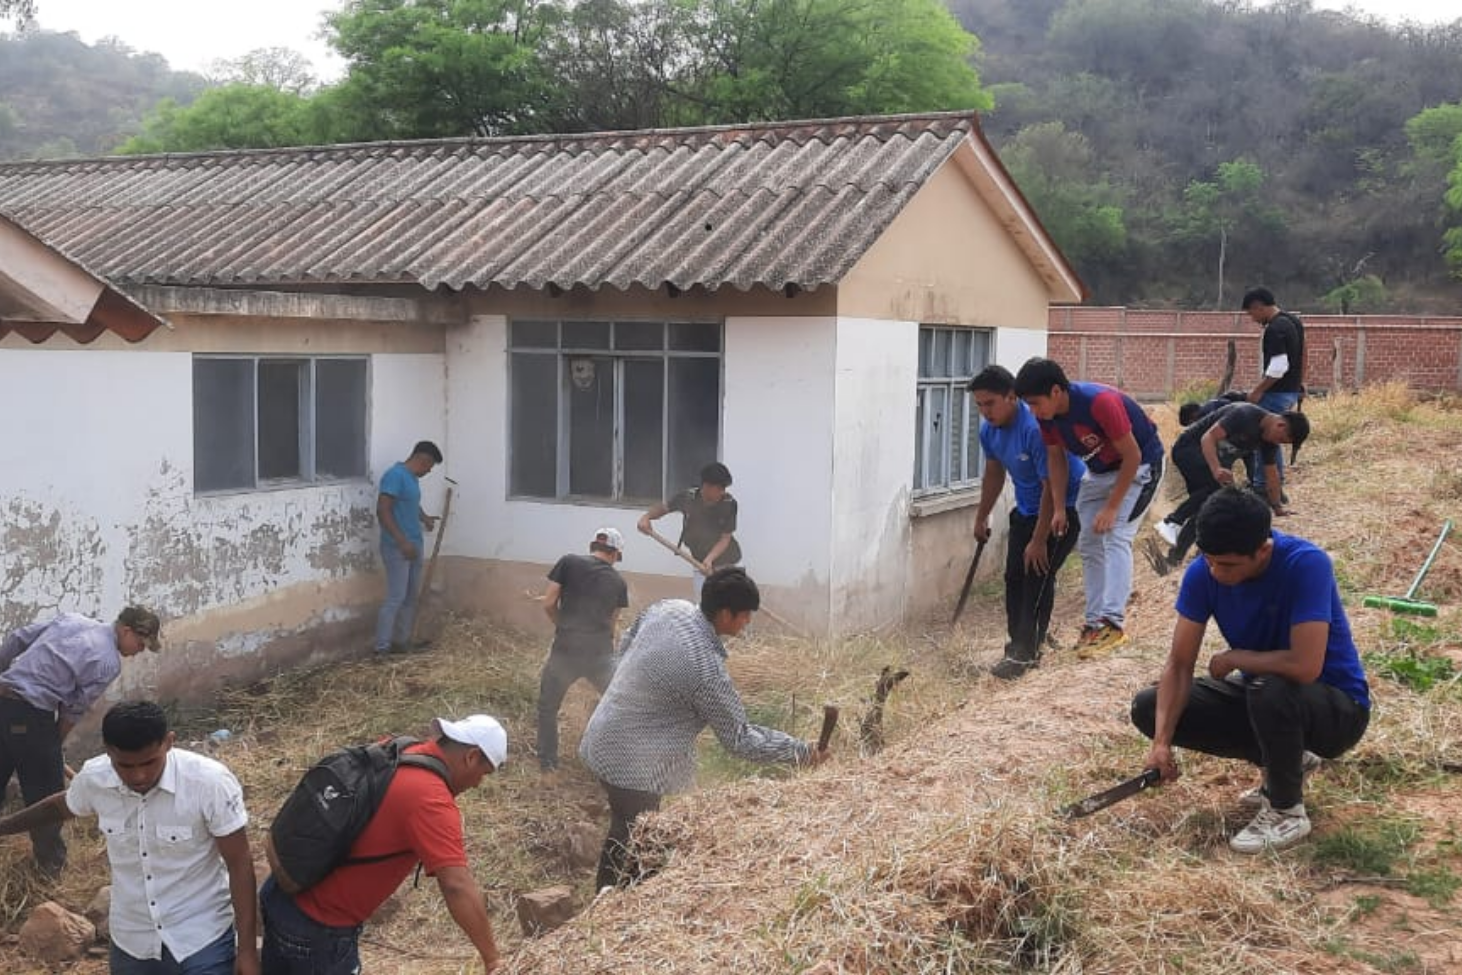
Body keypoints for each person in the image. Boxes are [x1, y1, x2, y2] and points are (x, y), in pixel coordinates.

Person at [1130, 489, 1370, 853]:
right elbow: (1179, 665)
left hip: (1336, 711)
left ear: (1264, 550)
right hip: (1266, 696)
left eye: (1227, 565)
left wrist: (1236, 657)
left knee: (1268, 685)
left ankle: (1286, 808)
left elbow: (1304, 667)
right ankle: (1289, 761)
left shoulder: (1306, 564)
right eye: (1209, 560)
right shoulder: (1203, 574)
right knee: (1149, 706)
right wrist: (1160, 743)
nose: (1215, 571)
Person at [579, 568, 828, 890]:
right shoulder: (704, 669)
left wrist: (631, 692)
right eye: (746, 616)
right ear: (726, 614)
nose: (748, 622)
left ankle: (622, 895)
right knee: (633, 832)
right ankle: (614, 902)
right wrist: (801, 751)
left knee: (631, 826)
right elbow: (740, 739)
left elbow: (626, 645)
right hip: (632, 761)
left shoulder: (668, 609)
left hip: (603, 732)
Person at [0, 701, 258, 975]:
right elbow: (59, 807)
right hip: (131, 941)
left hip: (200, 939)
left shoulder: (209, 783)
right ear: (108, 751)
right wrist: (3, 827)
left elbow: (240, 863)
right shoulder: (95, 779)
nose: (139, 775)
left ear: (169, 743)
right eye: (124, 765)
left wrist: (247, 951)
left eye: (149, 762)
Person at [259, 714, 508, 974]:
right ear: (471, 757)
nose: (478, 783)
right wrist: (492, 959)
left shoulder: (399, 748)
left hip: (281, 893)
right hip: (320, 929)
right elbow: (456, 885)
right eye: (484, 773)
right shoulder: (431, 799)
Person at [1013, 358, 1165, 658]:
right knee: (1088, 543)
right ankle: (1094, 623)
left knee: (1116, 535)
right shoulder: (1047, 417)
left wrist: (1111, 507)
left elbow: (1132, 456)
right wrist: (1058, 507)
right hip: (1099, 472)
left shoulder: (1100, 402)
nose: (1033, 411)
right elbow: (1055, 459)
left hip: (1140, 467)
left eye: (1035, 402)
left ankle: (1113, 624)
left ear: (1056, 391)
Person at [0, 605, 161, 876]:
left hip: (4, 699)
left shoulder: (72, 620)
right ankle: (50, 870)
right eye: (141, 644)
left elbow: (18, 639)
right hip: (31, 711)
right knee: (47, 793)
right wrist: (54, 744)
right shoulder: (108, 661)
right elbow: (74, 709)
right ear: (126, 630)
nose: (139, 652)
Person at [968, 365, 1086, 679]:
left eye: (990, 403)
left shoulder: (1034, 429)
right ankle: (1017, 645)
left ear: (1011, 397)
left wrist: (1038, 540)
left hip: (1062, 510)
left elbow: (1051, 486)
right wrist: (982, 515)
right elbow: (994, 473)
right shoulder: (988, 431)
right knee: (1013, 578)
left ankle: (1026, 654)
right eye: (979, 405)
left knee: (1036, 579)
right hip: (1026, 510)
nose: (984, 412)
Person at [1149, 404, 1310, 575]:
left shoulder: (1268, 440)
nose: (1279, 444)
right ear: (1281, 425)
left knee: (1208, 508)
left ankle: (1175, 557)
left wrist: (1277, 507)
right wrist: (1216, 468)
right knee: (1213, 490)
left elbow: (1272, 476)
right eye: (1283, 440)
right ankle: (1172, 521)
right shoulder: (1244, 415)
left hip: (1209, 461)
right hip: (1188, 449)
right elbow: (1207, 438)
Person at [537, 527, 630, 771]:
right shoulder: (619, 582)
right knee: (619, 704)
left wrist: (563, 626)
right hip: (599, 653)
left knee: (548, 707)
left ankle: (548, 764)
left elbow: (548, 603)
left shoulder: (568, 562)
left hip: (565, 650)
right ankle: (613, 762)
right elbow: (612, 625)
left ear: (594, 547)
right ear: (616, 554)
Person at [375, 440, 444, 655]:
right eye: (429, 466)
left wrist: (424, 518)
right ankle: (381, 648)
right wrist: (402, 541)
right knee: (396, 598)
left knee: (409, 597)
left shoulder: (411, 479)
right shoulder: (394, 475)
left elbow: (412, 503)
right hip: (398, 548)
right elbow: (383, 510)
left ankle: (402, 642)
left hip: (414, 545)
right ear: (422, 460)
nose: (429, 471)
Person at [637, 462, 740, 598]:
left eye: (724, 488)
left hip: (728, 563)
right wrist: (646, 517)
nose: (723, 492)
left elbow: (725, 538)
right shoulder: (688, 498)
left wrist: (709, 560)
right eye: (720, 488)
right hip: (699, 562)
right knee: (704, 605)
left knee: (731, 604)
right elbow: (664, 508)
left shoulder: (729, 504)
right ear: (706, 486)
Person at [1242, 288, 1306, 500]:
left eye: (1252, 313)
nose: (1252, 318)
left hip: (1276, 392)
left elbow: (1279, 366)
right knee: (1274, 440)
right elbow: (1304, 353)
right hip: (1290, 390)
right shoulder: (1293, 321)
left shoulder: (1275, 329)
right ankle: (1275, 488)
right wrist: (1300, 382)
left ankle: (1264, 487)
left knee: (1267, 440)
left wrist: (1257, 391)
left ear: (1259, 306)